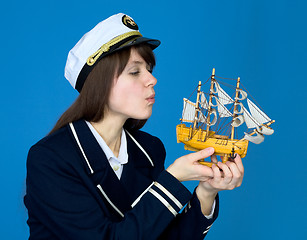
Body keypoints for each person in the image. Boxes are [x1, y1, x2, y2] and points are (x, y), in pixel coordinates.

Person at [24, 13, 244, 240]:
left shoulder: (149, 150)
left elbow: (161, 235)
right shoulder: (51, 159)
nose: (152, 79)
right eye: (135, 71)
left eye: (149, 69)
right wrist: (172, 179)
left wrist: (207, 192)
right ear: (100, 82)